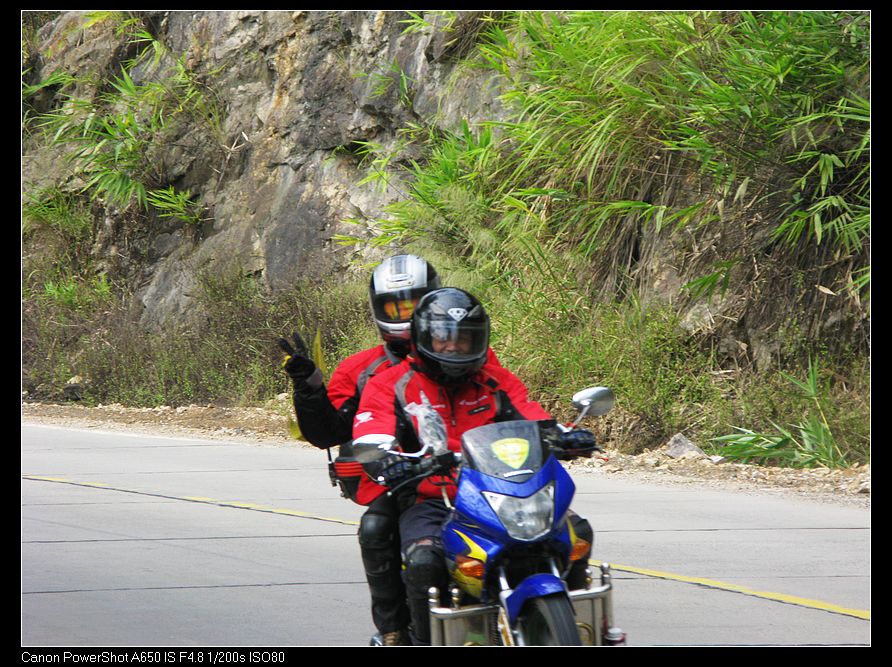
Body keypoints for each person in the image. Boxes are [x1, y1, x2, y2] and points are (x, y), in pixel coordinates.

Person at [352, 287, 597, 645]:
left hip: (503, 494)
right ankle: (418, 639)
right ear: (422, 338)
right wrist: (387, 459)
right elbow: (371, 430)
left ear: (479, 341)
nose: (453, 347)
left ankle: (579, 627)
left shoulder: (495, 381)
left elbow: (533, 415)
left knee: (578, 533)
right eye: (443, 339)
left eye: (463, 340)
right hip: (435, 500)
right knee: (424, 562)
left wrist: (565, 435)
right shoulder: (390, 384)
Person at [278, 254, 441, 646]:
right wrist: (310, 389)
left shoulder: (464, 347)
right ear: (377, 309)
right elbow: (326, 433)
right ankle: (397, 633)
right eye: (395, 306)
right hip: (402, 482)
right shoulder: (359, 369)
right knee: (376, 527)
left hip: (468, 474)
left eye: (415, 303)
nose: (406, 314)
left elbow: (504, 402)